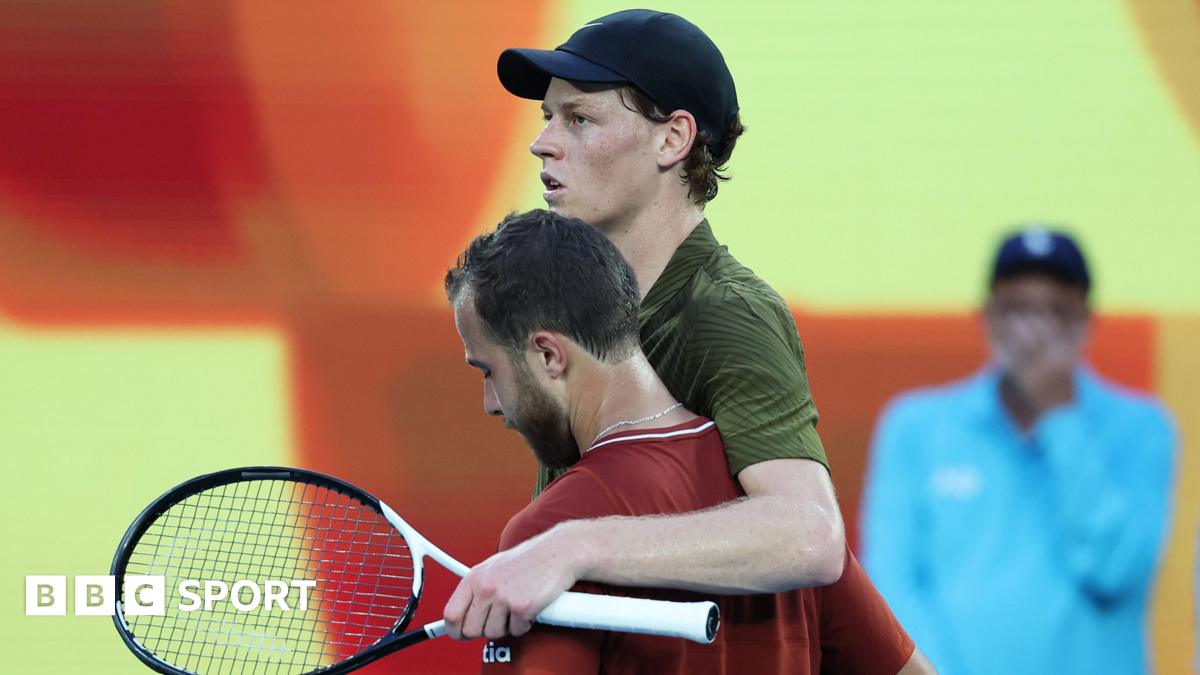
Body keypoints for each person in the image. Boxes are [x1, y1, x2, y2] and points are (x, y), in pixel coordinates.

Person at [444, 7, 853, 642]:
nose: (542, 141)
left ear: (673, 139)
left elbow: (811, 535)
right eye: (547, 117)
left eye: (579, 118)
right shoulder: (576, 304)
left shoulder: (724, 312)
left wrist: (571, 545)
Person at [446, 209, 929, 673]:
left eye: (489, 371)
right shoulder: (787, 520)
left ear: (549, 355)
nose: (492, 403)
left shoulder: (544, 543)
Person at [861, 227, 1177, 675]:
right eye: (1018, 310)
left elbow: (1116, 571)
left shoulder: (1144, 428)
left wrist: (1059, 417)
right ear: (988, 318)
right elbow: (892, 591)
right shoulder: (915, 426)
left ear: (1085, 324)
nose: (1035, 332)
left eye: (1056, 312)